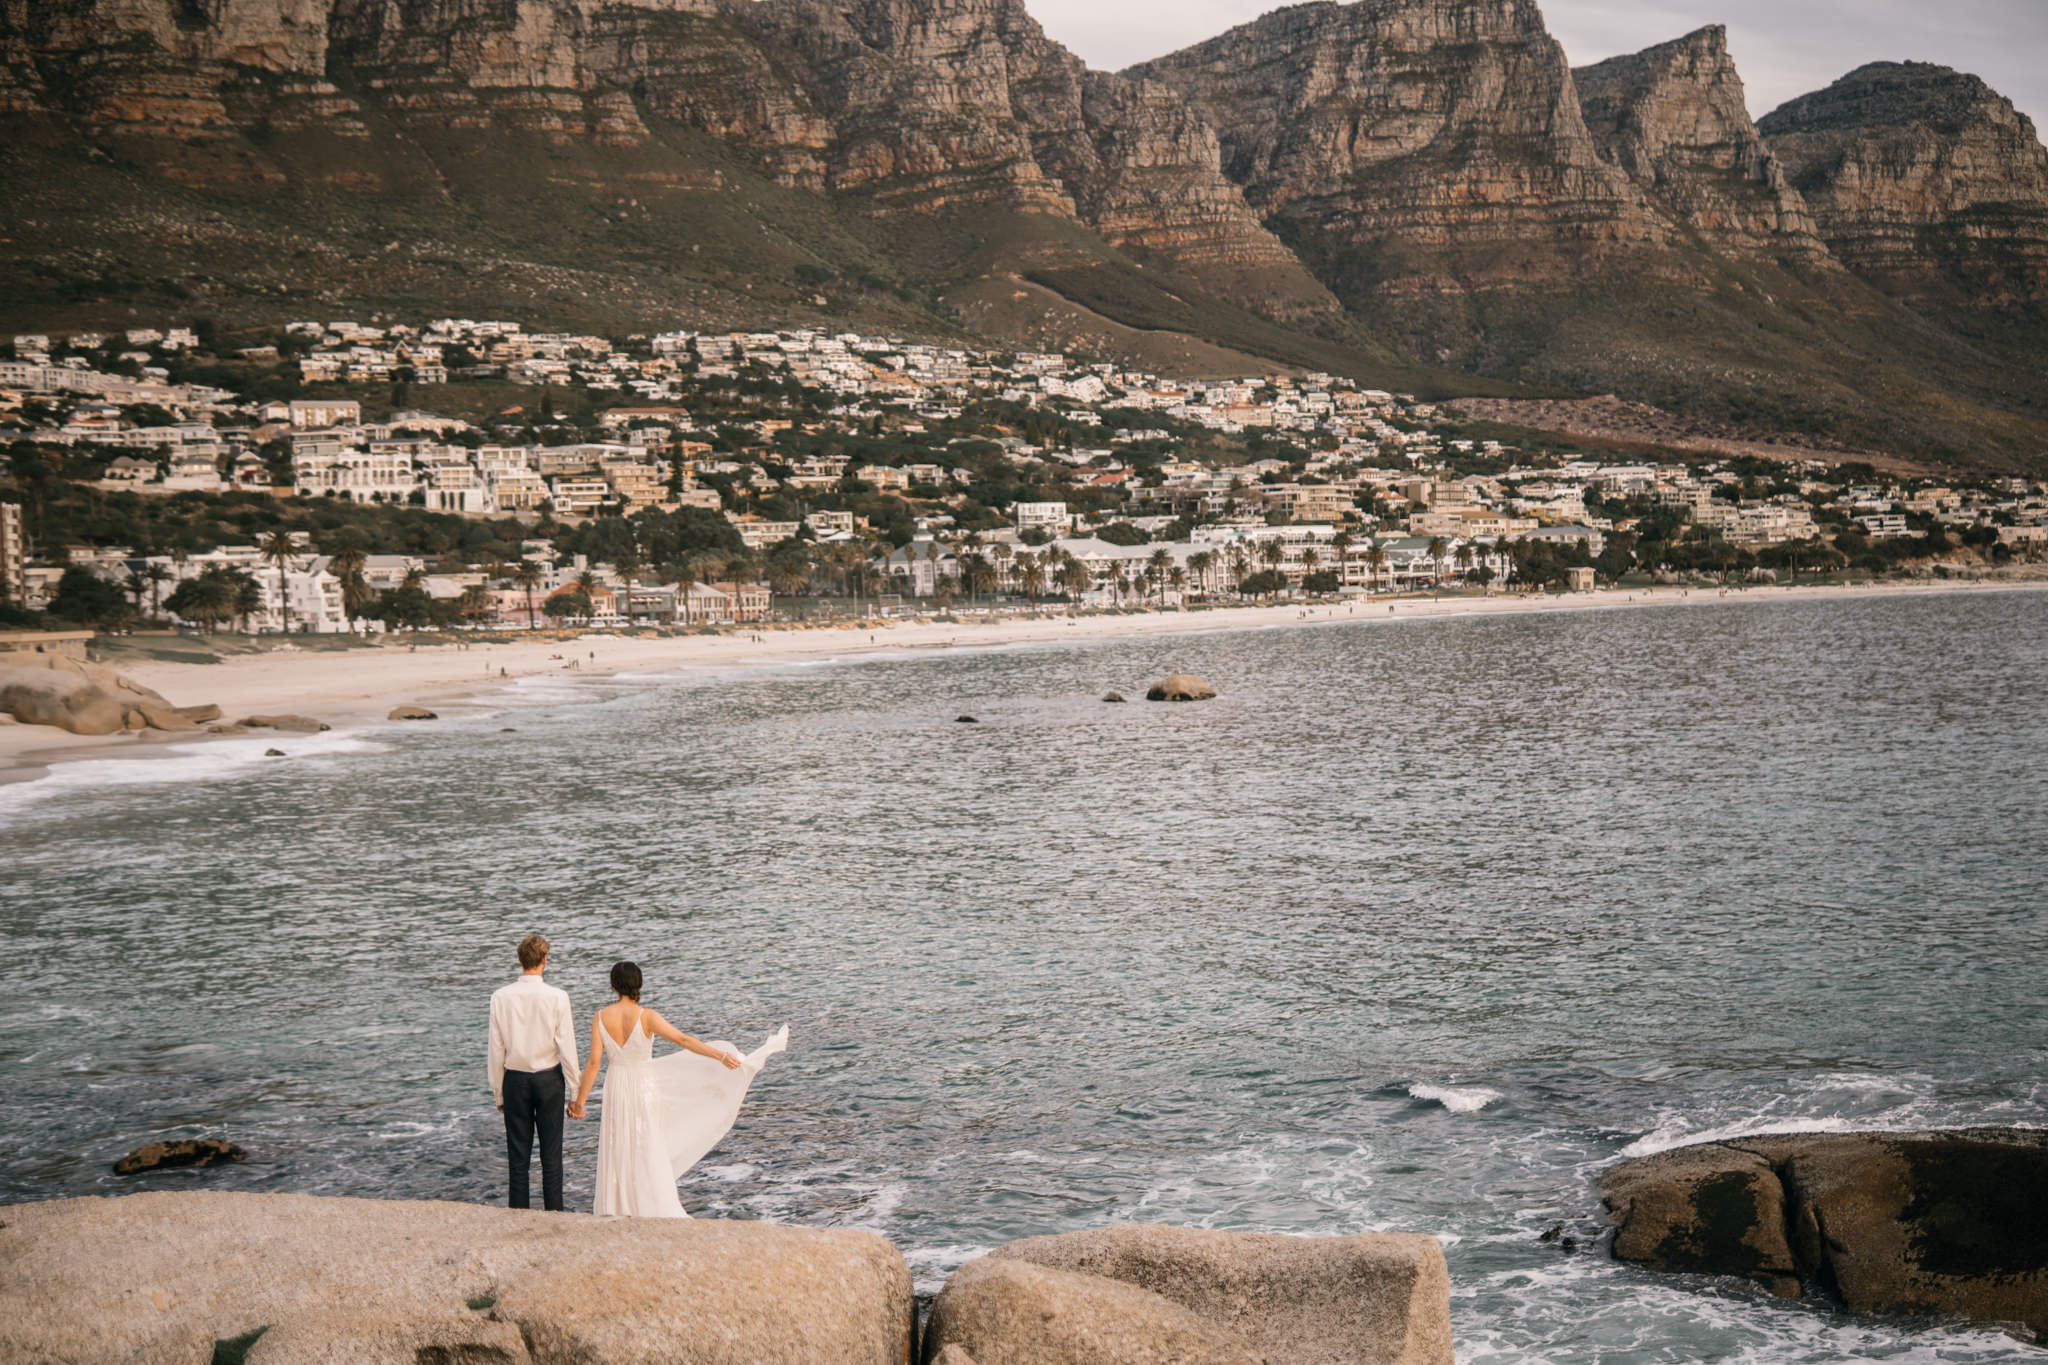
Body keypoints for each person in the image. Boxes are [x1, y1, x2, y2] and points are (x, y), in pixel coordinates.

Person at [568, 961, 788, 1218]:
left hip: (616, 1085)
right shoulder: (647, 1016)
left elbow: (594, 1063)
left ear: (613, 985)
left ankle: (618, 1205)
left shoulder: (601, 1017)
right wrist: (720, 1056)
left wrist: (579, 1102)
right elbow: (684, 1040)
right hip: (643, 1084)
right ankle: (648, 1203)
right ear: (638, 984)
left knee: (619, 1143)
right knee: (646, 1142)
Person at [487, 934, 580, 1212]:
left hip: (515, 1080)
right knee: (552, 1157)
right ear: (544, 960)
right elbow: (567, 1047)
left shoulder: (500, 997)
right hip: (549, 1080)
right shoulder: (558, 997)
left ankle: (518, 1218)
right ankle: (555, 1216)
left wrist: (498, 1092)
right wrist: (575, 1093)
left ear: (519, 960)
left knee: (518, 1159)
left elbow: (496, 1049)